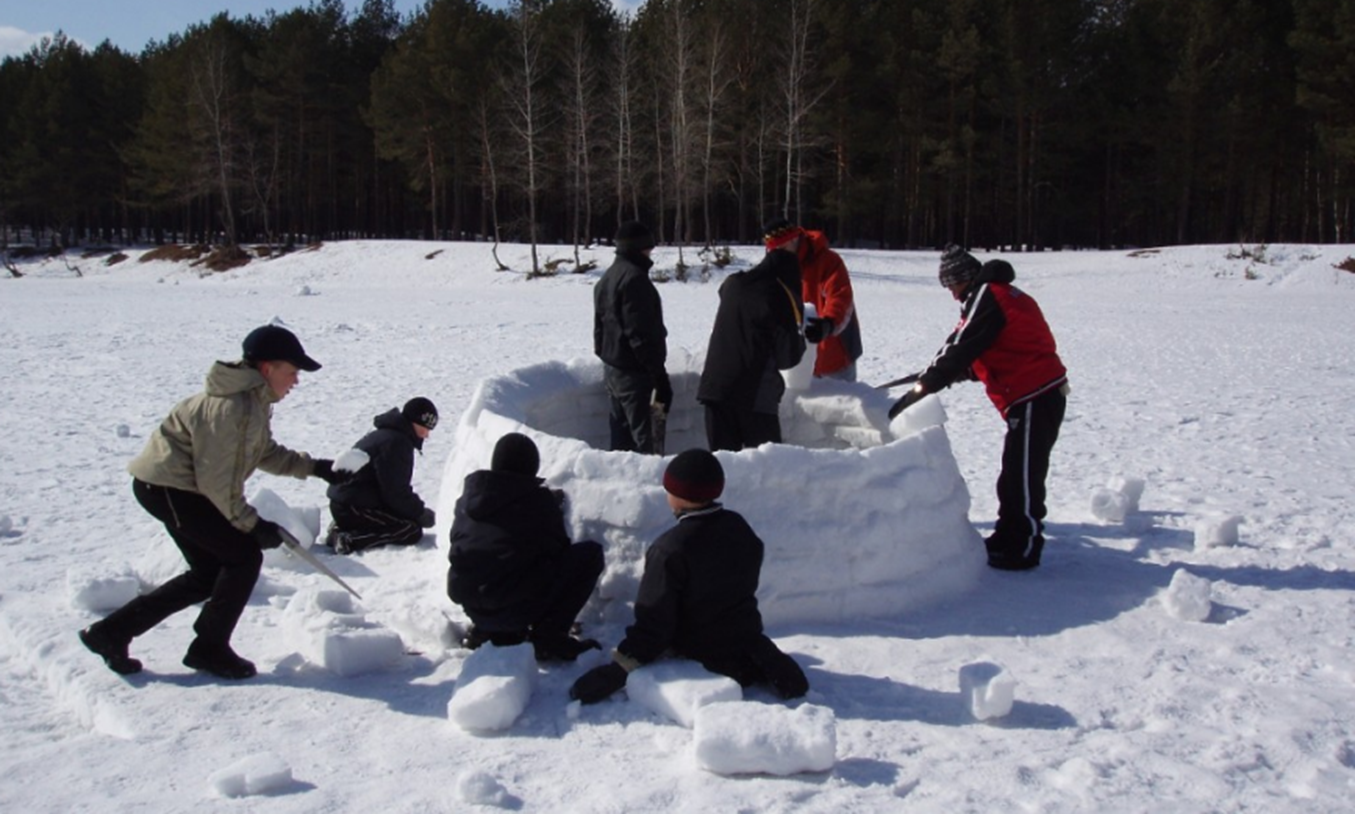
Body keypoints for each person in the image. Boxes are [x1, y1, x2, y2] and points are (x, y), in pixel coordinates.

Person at [78, 324, 348, 679]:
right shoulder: (232, 408)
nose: (296, 380)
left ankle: (112, 634)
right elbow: (217, 482)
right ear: (267, 369)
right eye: (292, 371)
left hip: (182, 489)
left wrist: (315, 467)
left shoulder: (252, 401)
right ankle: (208, 648)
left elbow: (261, 452)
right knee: (241, 557)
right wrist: (253, 525)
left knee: (210, 572)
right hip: (167, 488)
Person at [570, 449, 808, 704]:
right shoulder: (738, 527)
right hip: (741, 631)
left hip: (698, 646)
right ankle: (754, 655)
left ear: (677, 496)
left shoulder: (669, 549)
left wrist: (620, 668)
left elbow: (654, 622)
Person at [889, 245, 1069, 571]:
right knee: (1014, 473)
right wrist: (960, 372)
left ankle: (1023, 547)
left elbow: (959, 345)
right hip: (1033, 393)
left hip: (1034, 393)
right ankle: (1007, 536)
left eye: (951, 286)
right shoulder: (999, 294)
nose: (952, 294)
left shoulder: (987, 296)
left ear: (963, 279)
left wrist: (926, 385)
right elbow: (996, 346)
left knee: (1024, 477)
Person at [446, 432, 604, 662]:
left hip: (472, 606)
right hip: (516, 611)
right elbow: (558, 549)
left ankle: (486, 631)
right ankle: (549, 636)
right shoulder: (537, 502)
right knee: (588, 556)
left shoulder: (467, 500)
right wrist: (549, 507)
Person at [695, 235, 806, 451]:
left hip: (715, 390)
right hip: (754, 395)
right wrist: (802, 335)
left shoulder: (733, 283)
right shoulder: (780, 294)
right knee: (768, 470)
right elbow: (788, 357)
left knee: (724, 469)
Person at [324, 397, 439, 555]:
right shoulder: (396, 443)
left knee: (405, 519)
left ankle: (343, 527)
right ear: (413, 421)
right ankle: (349, 538)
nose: (426, 435)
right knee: (410, 530)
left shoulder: (387, 435)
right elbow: (395, 492)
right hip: (352, 506)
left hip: (345, 501)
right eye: (425, 428)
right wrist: (419, 512)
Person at [594, 220, 670, 453]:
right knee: (645, 442)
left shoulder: (608, 277)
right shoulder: (635, 279)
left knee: (620, 441)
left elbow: (600, 329)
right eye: (648, 247)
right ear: (640, 248)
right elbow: (640, 334)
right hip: (635, 374)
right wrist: (658, 375)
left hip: (613, 369)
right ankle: (650, 485)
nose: (651, 253)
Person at [763, 218, 863, 381]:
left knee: (840, 405)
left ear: (794, 239)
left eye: (783, 247)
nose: (779, 254)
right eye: (774, 250)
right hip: (795, 363)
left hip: (835, 358)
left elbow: (840, 297)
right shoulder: (774, 268)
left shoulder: (828, 261)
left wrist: (828, 323)